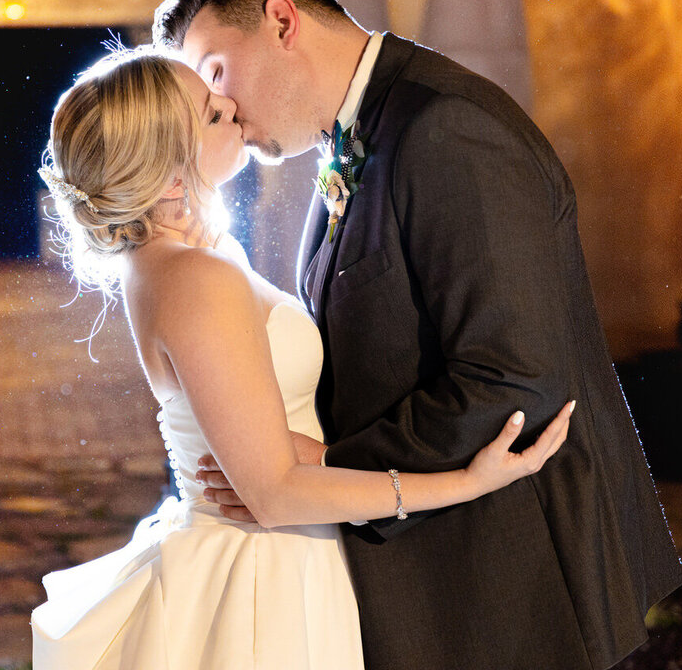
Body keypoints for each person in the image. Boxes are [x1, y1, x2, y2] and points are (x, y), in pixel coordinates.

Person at [152, 0, 682, 670]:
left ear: (282, 21)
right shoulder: (359, 137)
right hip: (446, 585)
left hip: (517, 591)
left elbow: (514, 378)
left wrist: (322, 469)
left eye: (215, 71)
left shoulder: (447, 128)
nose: (222, 109)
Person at [29, 48, 576, 670]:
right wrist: (465, 483)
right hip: (262, 583)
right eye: (210, 115)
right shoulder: (194, 277)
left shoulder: (179, 256)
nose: (230, 106)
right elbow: (275, 495)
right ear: (168, 174)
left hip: (275, 557)